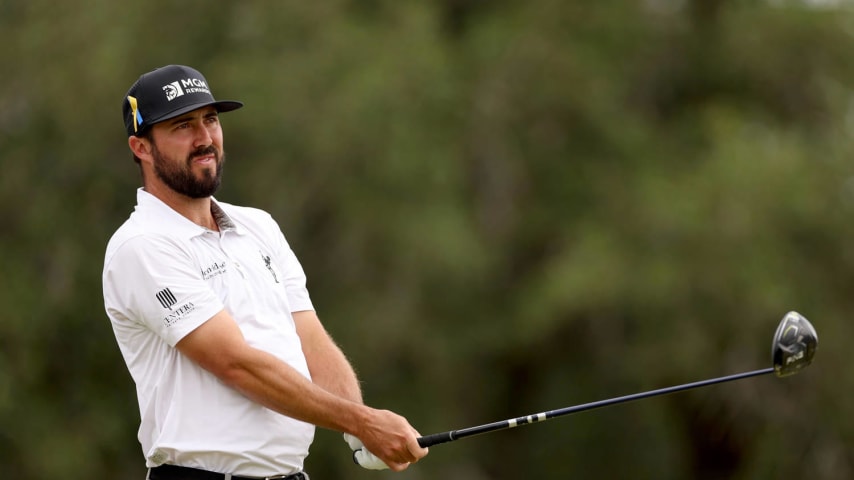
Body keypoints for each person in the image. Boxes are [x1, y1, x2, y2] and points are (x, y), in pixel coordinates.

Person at [102, 65, 428, 480]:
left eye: (211, 120)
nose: (205, 138)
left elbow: (309, 338)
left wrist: (360, 430)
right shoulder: (142, 245)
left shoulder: (259, 226)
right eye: (183, 126)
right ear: (141, 147)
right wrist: (361, 422)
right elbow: (236, 364)